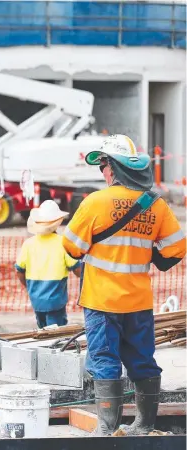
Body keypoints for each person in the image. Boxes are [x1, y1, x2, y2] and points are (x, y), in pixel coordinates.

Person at [63, 134, 186, 436]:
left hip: (102, 302)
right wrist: (148, 250)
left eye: (103, 164)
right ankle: (143, 425)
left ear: (113, 168)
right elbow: (176, 249)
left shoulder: (95, 202)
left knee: (104, 360)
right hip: (138, 303)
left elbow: (72, 247)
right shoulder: (155, 204)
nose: (102, 171)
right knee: (143, 360)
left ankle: (106, 428)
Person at [14, 200, 82, 328]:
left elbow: (19, 270)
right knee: (56, 336)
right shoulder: (62, 242)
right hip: (55, 301)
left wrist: (29, 287)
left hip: (36, 301)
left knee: (43, 334)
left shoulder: (29, 244)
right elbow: (77, 269)